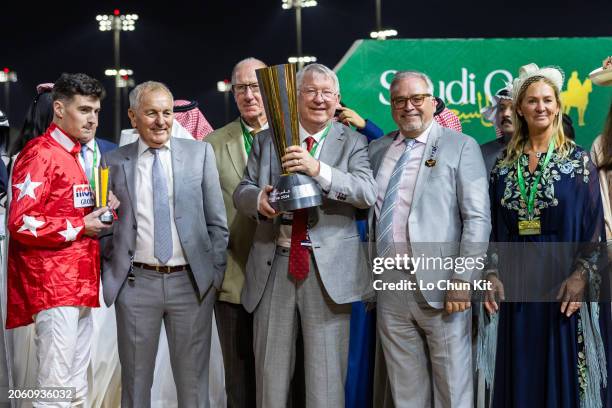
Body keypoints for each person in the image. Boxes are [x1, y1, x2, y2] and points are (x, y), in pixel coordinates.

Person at [233, 63, 377, 408]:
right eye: (310, 91)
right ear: (294, 98)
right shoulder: (268, 139)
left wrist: (319, 170)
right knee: (270, 379)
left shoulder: (353, 142)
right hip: (274, 268)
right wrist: (259, 200)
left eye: (327, 93)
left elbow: (366, 193)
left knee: (326, 384)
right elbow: (243, 189)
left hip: (329, 274)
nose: (319, 99)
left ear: (338, 99)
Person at [487, 63, 611, 408]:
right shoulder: (503, 166)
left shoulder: (578, 161)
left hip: (562, 283)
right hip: (517, 285)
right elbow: (494, 227)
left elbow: (593, 226)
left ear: (558, 105)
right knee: (521, 370)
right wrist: (492, 271)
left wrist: (581, 274)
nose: (540, 107)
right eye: (531, 101)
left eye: (547, 100)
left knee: (563, 371)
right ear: (519, 109)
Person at [102, 81, 228, 407]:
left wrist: (211, 277)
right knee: (135, 385)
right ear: (133, 116)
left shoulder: (200, 153)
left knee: (193, 388)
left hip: (190, 285)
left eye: (167, 113)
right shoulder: (112, 162)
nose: (161, 121)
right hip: (135, 286)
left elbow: (217, 223)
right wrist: (112, 272)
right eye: (151, 113)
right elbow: (103, 226)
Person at [369, 70, 490, 407]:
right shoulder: (378, 150)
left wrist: (464, 278)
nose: (409, 106)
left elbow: (478, 219)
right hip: (390, 287)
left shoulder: (460, 146)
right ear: (392, 106)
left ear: (433, 102)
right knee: (405, 393)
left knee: (453, 390)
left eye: (416, 98)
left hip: (443, 286)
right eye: (400, 100)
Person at [6, 73, 119, 407]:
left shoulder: (75, 155)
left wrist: (103, 208)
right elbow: (20, 222)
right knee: (54, 388)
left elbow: (72, 211)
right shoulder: (40, 153)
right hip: (53, 286)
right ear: (58, 108)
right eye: (84, 109)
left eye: (96, 111)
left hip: (80, 283)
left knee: (75, 386)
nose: (93, 119)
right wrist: (79, 225)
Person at [206, 57, 267, 408]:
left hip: (283, 281)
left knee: (282, 376)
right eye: (241, 87)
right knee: (239, 381)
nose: (248, 94)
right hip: (234, 280)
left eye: (256, 86)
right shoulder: (214, 143)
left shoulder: (291, 135)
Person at [481, 86, 515, 174]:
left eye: (513, 108)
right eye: (502, 108)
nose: (506, 114)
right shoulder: (483, 152)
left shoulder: (539, 151)